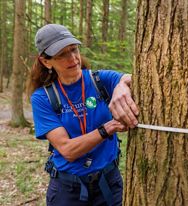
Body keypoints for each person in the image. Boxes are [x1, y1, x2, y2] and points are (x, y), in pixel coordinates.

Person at [27, 24, 139, 206]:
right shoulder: (43, 98)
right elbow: (67, 150)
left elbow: (131, 78)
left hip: (108, 184)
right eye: (62, 54)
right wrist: (108, 128)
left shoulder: (99, 80)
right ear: (46, 61)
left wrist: (120, 86)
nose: (73, 58)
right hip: (68, 191)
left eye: (74, 49)